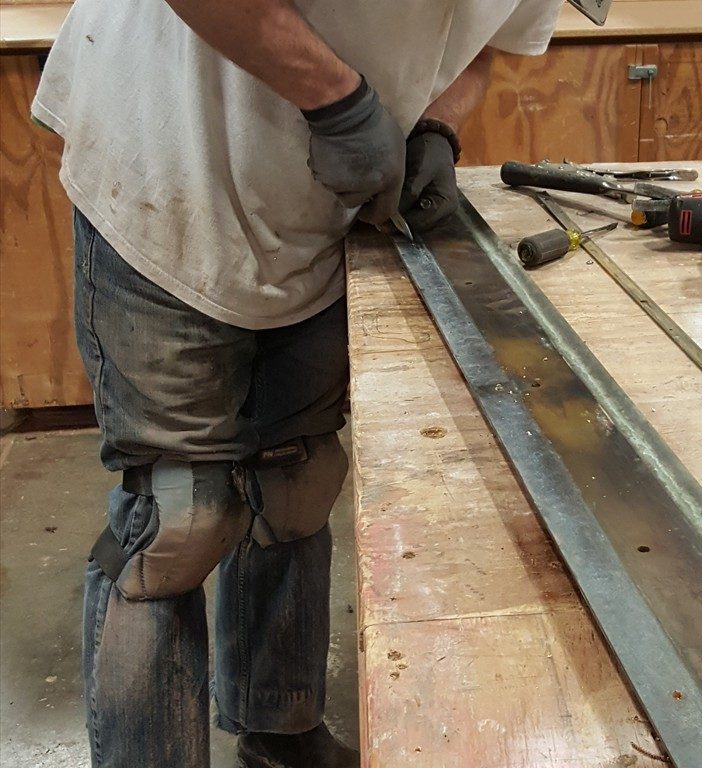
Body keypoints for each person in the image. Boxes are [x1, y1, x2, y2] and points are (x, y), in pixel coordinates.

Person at [30, 1, 573, 765]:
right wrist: (343, 102)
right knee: (177, 521)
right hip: (167, 158)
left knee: (297, 482)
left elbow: (493, 37)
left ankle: (278, 732)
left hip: (323, 211)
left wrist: (437, 129)